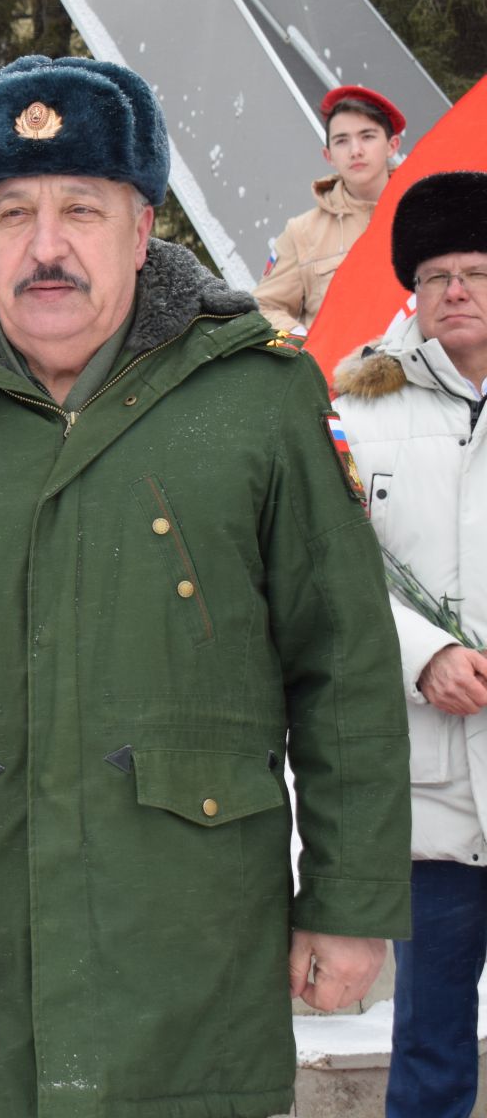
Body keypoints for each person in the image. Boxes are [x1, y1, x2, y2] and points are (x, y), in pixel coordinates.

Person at [0, 55, 412, 1117]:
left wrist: (350, 903)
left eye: (82, 206)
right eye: (12, 210)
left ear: (142, 222)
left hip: (191, 947)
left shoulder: (258, 397)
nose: (46, 244)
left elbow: (343, 665)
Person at [331, 170, 487, 1117]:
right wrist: (420, 656)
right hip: (427, 801)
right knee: (428, 1047)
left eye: (476, 269)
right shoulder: (357, 418)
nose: (457, 289)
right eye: (436, 275)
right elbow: (328, 572)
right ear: (412, 293)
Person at [254, 84, 406, 332]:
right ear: (328, 155)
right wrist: (301, 346)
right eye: (342, 141)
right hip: (334, 370)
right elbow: (263, 308)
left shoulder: (429, 214)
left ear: (392, 145)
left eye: (367, 136)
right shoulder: (302, 232)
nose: (356, 151)